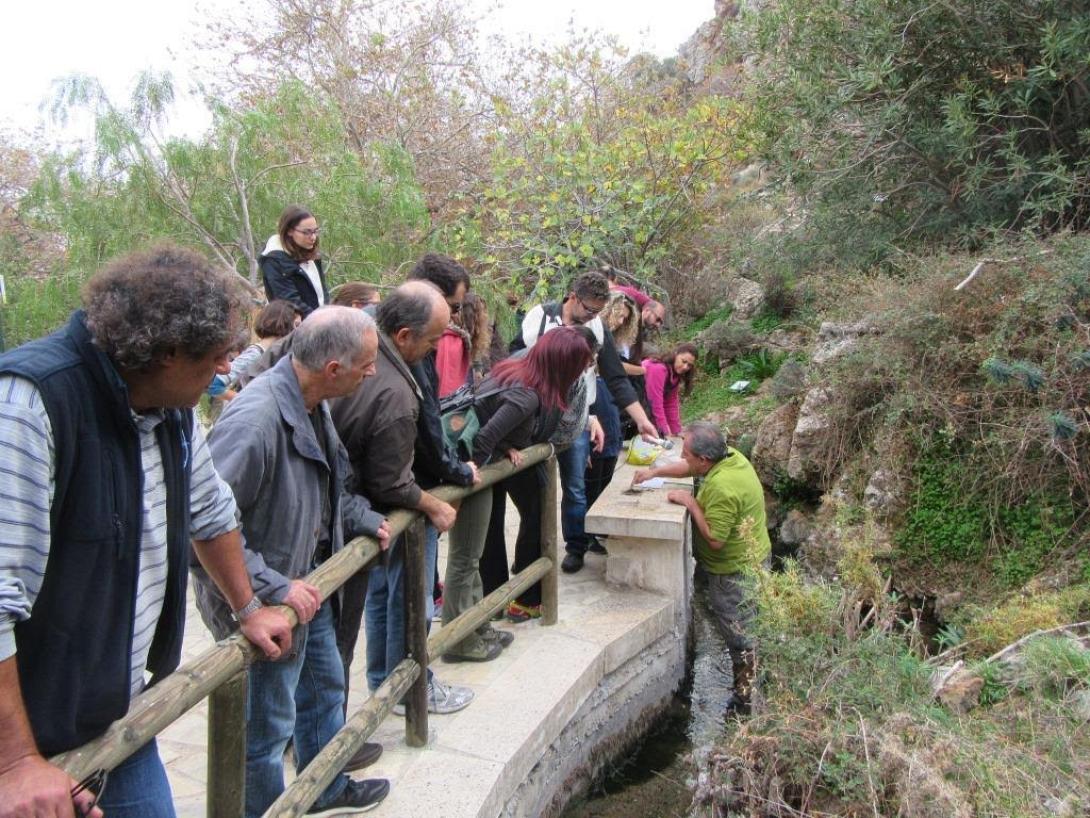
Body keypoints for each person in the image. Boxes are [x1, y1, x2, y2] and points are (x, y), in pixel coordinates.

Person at [0, 244, 293, 818]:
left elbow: (210, 510)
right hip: (29, 750)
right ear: (164, 353)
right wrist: (14, 763)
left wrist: (248, 606)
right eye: (213, 358)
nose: (225, 371)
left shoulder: (168, 406)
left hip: (120, 718)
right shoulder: (31, 404)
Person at [191, 307, 391, 817]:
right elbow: (199, 529)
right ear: (333, 367)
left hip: (307, 586)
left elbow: (324, 485)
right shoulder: (255, 421)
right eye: (367, 364)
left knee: (324, 688)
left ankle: (325, 786)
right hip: (265, 604)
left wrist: (362, 517)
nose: (373, 372)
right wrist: (267, 586)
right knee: (265, 730)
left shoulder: (311, 400)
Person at [330, 282, 474, 714]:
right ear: (405, 335)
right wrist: (433, 502)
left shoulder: (371, 358)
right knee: (408, 602)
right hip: (369, 511)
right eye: (432, 340)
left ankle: (384, 683)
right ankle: (408, 688)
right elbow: (391, 483)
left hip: (355, 509)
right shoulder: (395, 391)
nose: (436, 350)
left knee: (378, 596)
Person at [443, 327, 592, 653]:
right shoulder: (528, 393)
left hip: (488, 464)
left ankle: (484, 618)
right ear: (564, 365)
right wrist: (465, 485)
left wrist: (509, 444)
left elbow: (494, 419)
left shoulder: (516, 372)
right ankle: (463, 637)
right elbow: (484, 437)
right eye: (581, 364)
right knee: (468, 555)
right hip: (475, 471)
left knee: (478, 548)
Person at [517, 270, 659, 574]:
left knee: (576, 487)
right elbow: (514, 360)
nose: (592, 316)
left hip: (577, 418)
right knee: (532, 495)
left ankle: (576, 547)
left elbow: (615, 377)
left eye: (598, 311)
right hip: (535, 419)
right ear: (572, 296)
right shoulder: (539, 318)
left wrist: (642, 420)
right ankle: (529, 556)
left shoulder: (596, 327)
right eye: (588, 309)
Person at [633, 421, 771, 712]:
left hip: (734, 570)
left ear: (704, 459)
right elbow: (688, 468)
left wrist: (691, 502)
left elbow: (716, 539)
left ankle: (745, 699)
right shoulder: (731, 457)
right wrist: (653, 472)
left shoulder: (722, 487)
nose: (683, 458)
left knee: (738, 632)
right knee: (754, 622)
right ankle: (756, 681)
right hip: (756, 556)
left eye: (686, 453)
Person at [208, 299, 301, 403]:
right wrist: (249, 402)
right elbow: (213, 386)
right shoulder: (255, 354)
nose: (299, 331)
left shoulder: (278, 355)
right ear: (283, 322)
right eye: (297, 325)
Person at [260, 205, 329, 316]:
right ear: (289, 231)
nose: (313, 237)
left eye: (315, 231)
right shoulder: (274, 260)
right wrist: (319, 323)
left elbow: (323, 292)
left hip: (318, 323)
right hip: (292, 327)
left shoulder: (311, 252)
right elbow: (290, 302)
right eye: (306, 232)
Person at [642, 342, 698, 438]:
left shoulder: (675, 374)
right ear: (676, 354)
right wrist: (665, 431)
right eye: (683, 361)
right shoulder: (658, 369)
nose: (685, 367)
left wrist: (676, 431)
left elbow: (670, 404)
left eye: (689, 365)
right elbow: (655, 403)